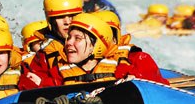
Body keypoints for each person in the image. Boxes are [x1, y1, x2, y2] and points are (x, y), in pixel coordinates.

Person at [37, 13, 168, 86]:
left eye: (77, 38)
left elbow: (158, 91)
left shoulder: (122, 70)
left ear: (96, 46)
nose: (68, 43)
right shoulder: (57, 73)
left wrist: (135, 83)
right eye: (68, 38)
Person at [24, 0, 83, 88]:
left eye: (72, 16)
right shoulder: (43, 56)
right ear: (51, 21)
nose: (67, 22)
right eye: (60, 17)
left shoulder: (96, 44)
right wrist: (43, 83)